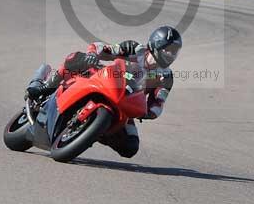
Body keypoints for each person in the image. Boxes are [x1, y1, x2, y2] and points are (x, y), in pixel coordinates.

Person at [26, 25, 182, 158]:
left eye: (174, 51)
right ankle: (46, 86)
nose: (171, 54)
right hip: (104, 80)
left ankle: (94, 133)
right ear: (156, 44)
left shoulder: (166, 77)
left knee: (130, 147)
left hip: (125, 103)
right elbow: (101, 47)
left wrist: (149, 112)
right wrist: (93, 55)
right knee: (75, 58)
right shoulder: (134, 49)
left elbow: (159, 102)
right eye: (168, 50)